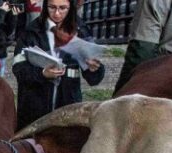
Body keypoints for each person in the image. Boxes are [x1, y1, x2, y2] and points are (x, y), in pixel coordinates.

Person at [12, 0, 104, 129]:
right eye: (52, 7)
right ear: (45, 6)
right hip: (34, 110)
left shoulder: (81, 30)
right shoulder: (30, 31)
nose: (57, 13)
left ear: (70, 7)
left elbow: (94, 79)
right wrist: (42, 74)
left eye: (63, 8)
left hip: (68, 107)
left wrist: (94, 68)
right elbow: (18, 68)